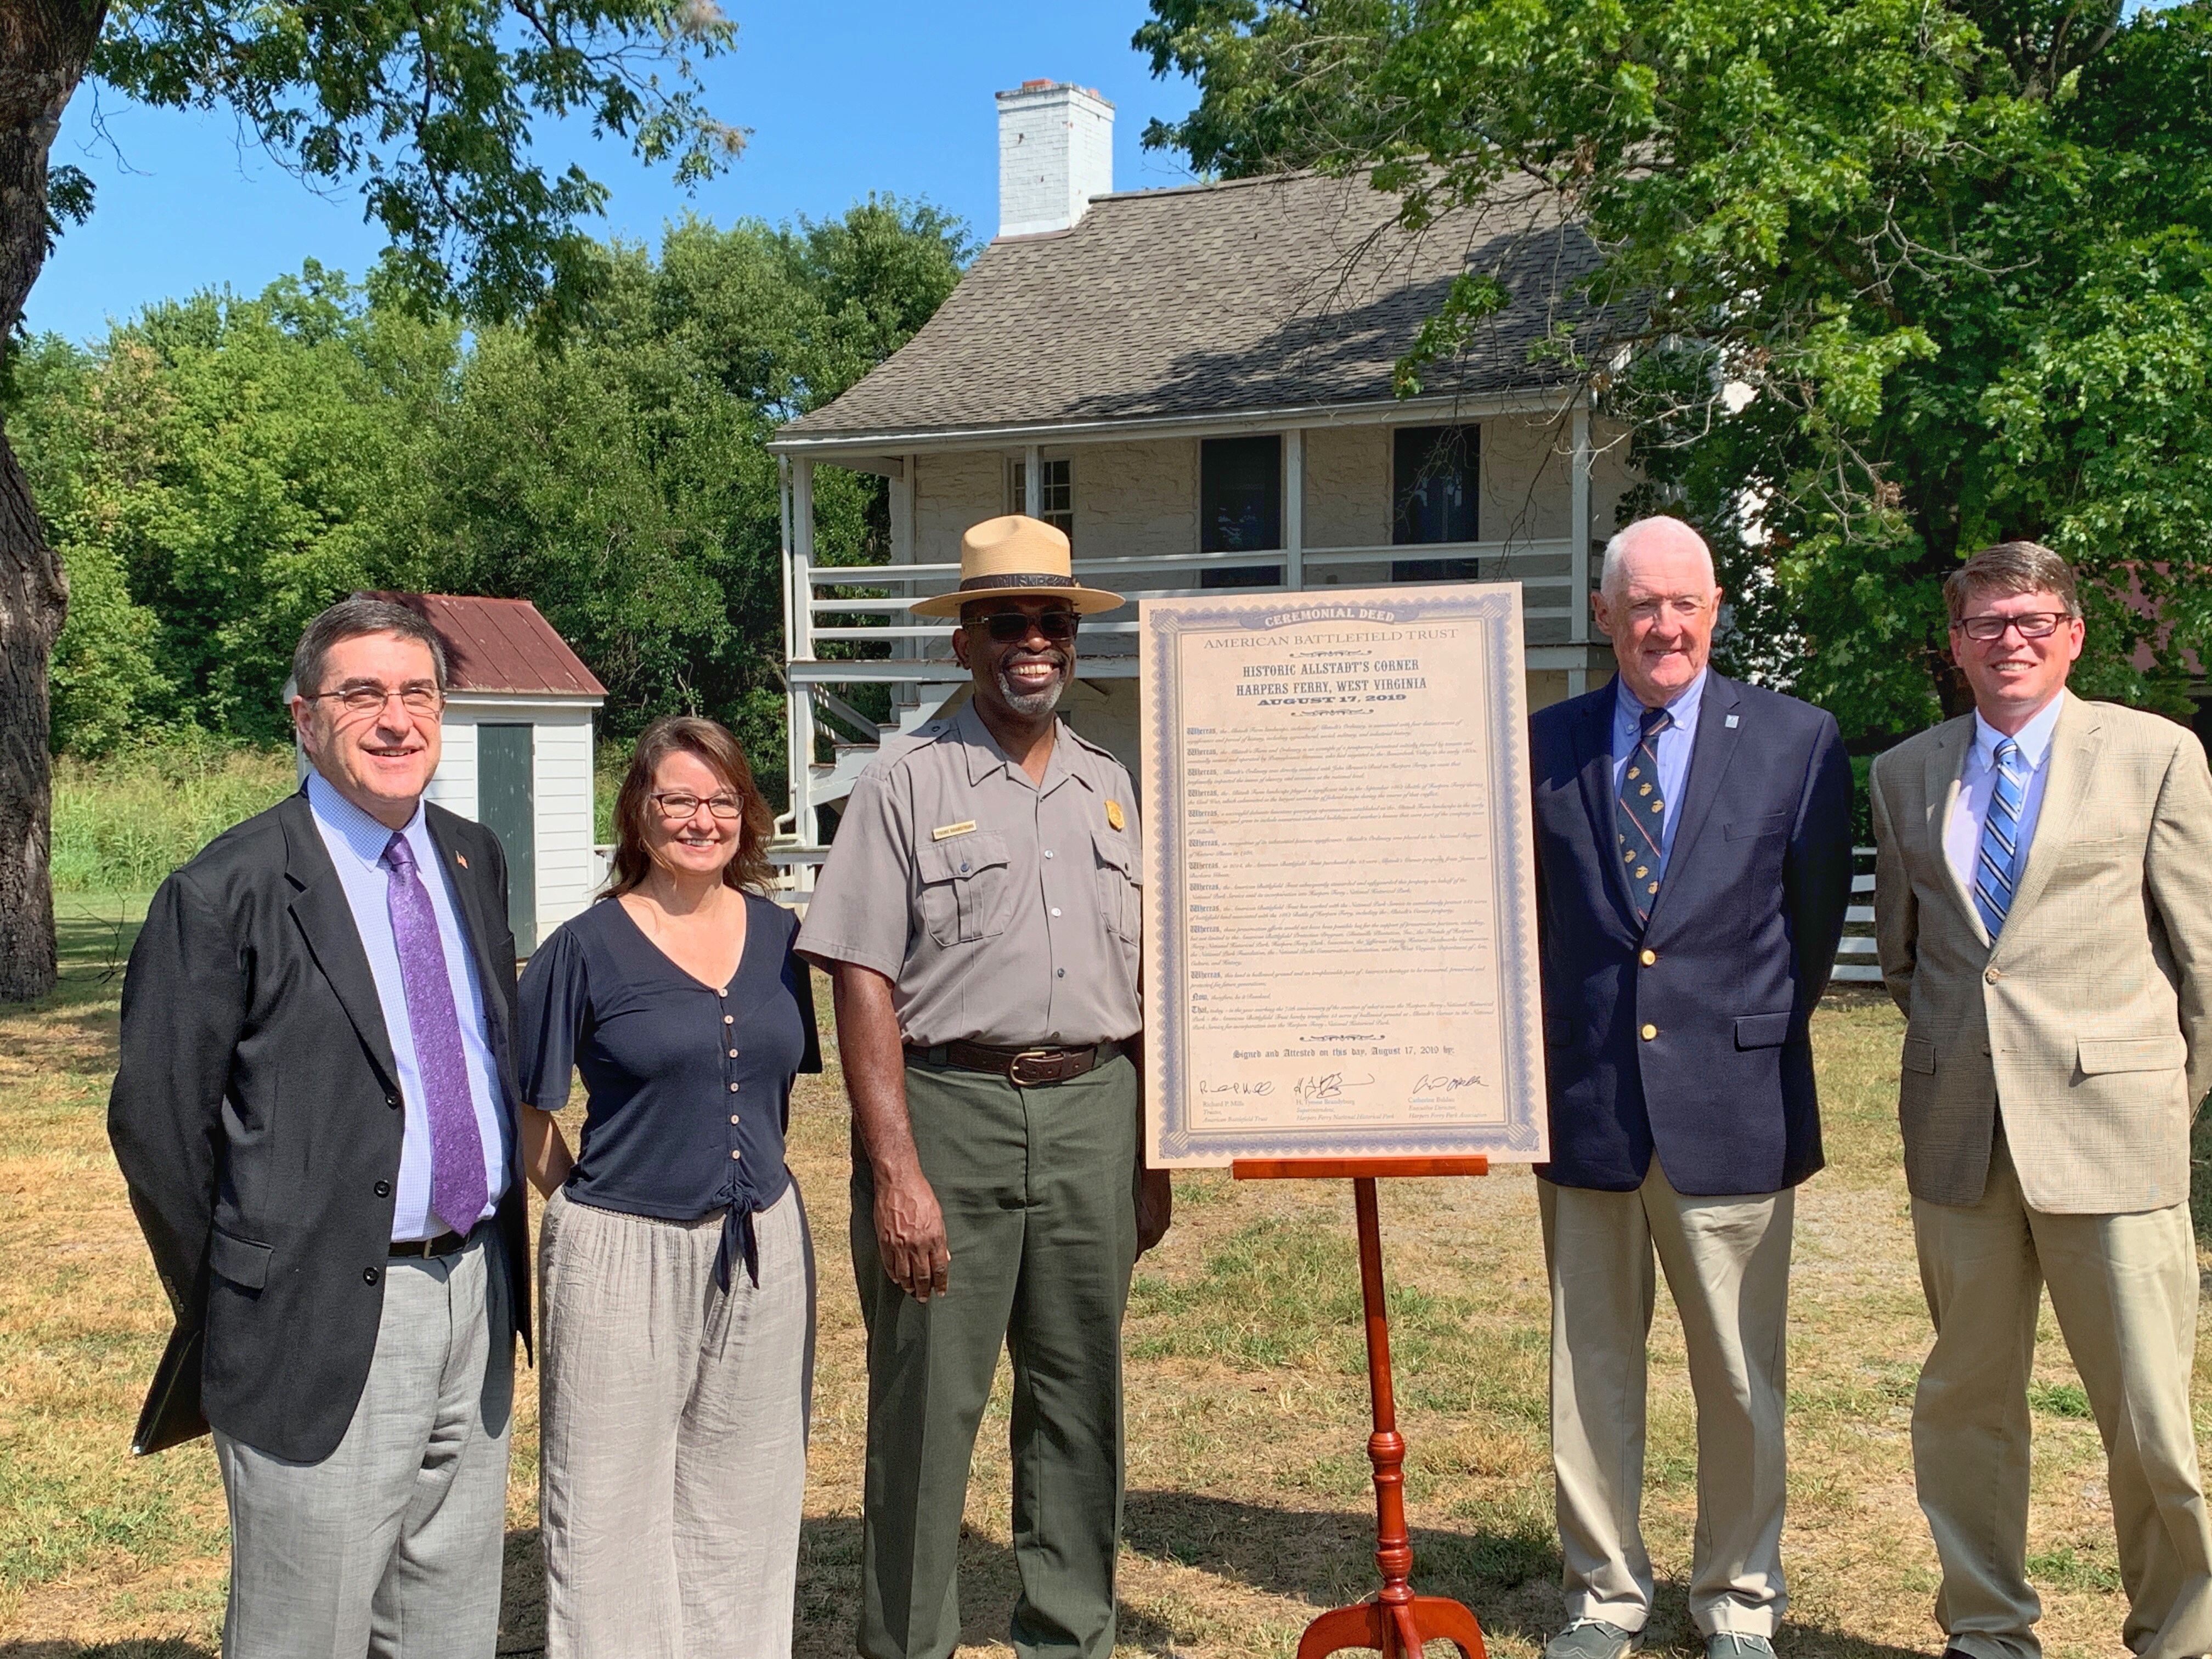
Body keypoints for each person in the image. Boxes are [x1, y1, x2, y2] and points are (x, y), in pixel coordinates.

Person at [108, 595, 529, 1659]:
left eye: (417, 693)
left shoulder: (474, 860)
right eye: (361, 695)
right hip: (313, 1316)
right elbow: (159, 1130)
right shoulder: (224, 892)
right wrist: (245, 1294)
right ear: (304, 719)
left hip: (476, 1293)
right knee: (311, 1632)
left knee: (450, 1618)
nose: (395, 720)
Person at [795, 513, 1171, 1659]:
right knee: (926, 1410)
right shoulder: (906, 782)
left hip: (1093, 1113)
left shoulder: (1114, 788)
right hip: (948, 1111)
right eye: (1007, 621)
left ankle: (1070, 1631)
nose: (1034, 641)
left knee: (1079, 1399)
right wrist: (896, 1171)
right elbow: (860, 977)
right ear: (964, 641)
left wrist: (1151, 1156)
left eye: (1052, 620)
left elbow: (1148, 982)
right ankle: (908, 1642)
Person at [1870, 541, 2212, 1659]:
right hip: (1961, 1137)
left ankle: (2179, 1631)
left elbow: (2202, 966)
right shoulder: (1906, 772)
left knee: (2150, 1420)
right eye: (1986, 625)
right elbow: (1907, 959)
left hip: (2113, 1136)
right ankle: (1985, 1627)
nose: (2010, 641)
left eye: (2033, 621)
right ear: (1956, 643)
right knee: (1965, 1407)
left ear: (2071, 634)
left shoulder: (2157, 757)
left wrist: (2159, 1100)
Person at [1526, 516, 1853, 1659]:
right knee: (1591, 1372)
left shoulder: (1797, 739)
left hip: (1734, 1106)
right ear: (1605, 613)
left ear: (1716, 611)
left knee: (1740, 1379)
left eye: (1687, 604)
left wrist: (1738, 1036)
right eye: (1643, 604)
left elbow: (1808, 932)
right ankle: (1604, 1596)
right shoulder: (1544, 744)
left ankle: (1738, 1603)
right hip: (1589, 1106)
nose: (1666, 625)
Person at [516, 715, 822, 1659]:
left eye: (721, 799)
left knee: (749, 1491)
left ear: (748, 813)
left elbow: (776, 1087)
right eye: (677, 800)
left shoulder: (781, 937)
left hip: (762, 1241)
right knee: (608, 1500)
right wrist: (582, 1206)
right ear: (637, 814)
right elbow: (525, 1109)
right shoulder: (584, 946)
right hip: (620, 1247)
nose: (701, 819)